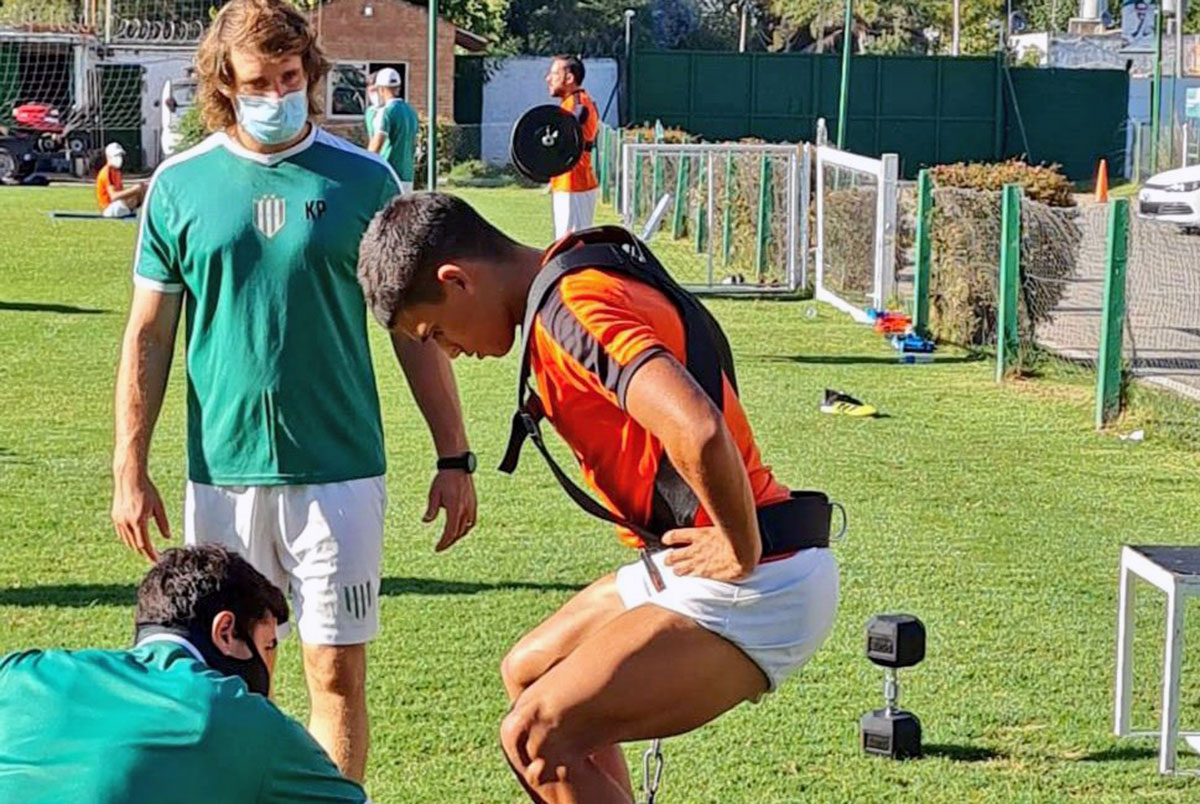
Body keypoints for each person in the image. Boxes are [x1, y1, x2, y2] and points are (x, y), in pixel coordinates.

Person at [356, 194, 841, 803]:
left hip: (765, 578)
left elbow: (699, 429)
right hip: (712, 558)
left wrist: (741, 548)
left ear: (457, 280)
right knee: (529, 672)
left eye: (437, 333)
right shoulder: (570, 278)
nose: (452, 352)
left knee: (535, 737)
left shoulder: (572, 309)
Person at [110, 0, 477, 783]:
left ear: (310, 74)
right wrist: (128, 470)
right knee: (224, 687)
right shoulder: (179, 186)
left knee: (335, 678)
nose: (275, 95)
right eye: (256, 81)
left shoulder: (368, 182)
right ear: (222, 84)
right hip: (223, 475)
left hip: (340, 471)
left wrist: (456, 455)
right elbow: (148, 337)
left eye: (289, 76)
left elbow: (413, 330)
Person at [0, 545, 368, 803]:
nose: (270, 671)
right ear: (226, 632)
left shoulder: (23, 671)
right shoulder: (240, 717)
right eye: (269, 646)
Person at [545, 55, 598, 239]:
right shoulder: (570, 102)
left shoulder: (578, 103)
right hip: (567, 181)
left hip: (575, 183)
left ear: (569, 78)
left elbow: (567, 133)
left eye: (553, 74)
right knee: (564, 243)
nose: (548, 78)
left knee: (571, 245)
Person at [367, 67, 419, 195]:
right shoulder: (411, 111)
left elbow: (377, 144)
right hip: (407, 174)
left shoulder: (385, 112)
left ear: (381, 89)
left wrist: (364, 166)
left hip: (388, 174)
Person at [96, 142, 145, 217]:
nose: (119, 158)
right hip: (109, 208)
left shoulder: (116, 171)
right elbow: (113, 196)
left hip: (116, 205)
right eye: (116, 155)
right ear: (108, 157)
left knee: (144, 189)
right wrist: (134, 189)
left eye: (120, 155)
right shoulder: (107, 172)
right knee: (140, 190)